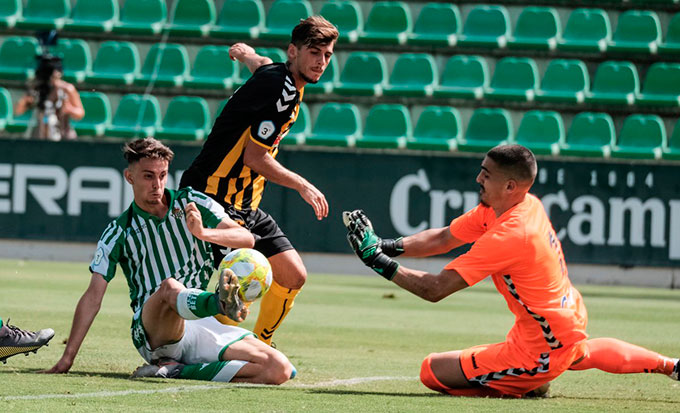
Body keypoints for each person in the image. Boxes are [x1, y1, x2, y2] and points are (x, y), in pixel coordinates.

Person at [343, 144, 680, 398]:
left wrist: (376, 260)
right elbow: (445, 237)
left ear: (509, 186)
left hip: (540, 347)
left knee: (431, 371)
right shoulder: (517, 205)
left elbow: (436, 289)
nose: (478, 178)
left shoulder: (512, 234)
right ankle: (673, 365)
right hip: (564, 321)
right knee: (578, 351)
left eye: (486, 174)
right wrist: (386, 244)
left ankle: (525, 384)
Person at [45, 138, 294, 384]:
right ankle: (220, 304)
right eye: (148, 176)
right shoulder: (119, 231)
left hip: (199, 322)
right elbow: (93, 297)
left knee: (278, 369)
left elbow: (245, 238)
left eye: (162, 175)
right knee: (169, 287)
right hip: (155, 331)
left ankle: (177, 370)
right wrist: (68, 357)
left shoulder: (191, 202)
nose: (157, 184)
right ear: (129, 177)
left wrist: (203, 233)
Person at [180, 16, 338, 345]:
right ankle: (204, 347)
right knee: (234, 285)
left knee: (294, 275)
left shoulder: (279, 75)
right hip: (213, 196)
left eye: (327, 55)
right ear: (293, 51)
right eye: (315, 53)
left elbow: (262, 64)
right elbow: (255, 157)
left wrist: (245, 53)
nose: (321, 62)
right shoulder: (284, 95)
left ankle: (261, 343)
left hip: (245, 202)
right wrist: (302, 185)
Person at [14, 54, 84, 141]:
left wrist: (69, 109)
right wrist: (26, 101)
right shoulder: (36, 89)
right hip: (41, 134)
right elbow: (18, 111)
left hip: (62, 134)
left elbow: (80, 113)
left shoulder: (67, 89)